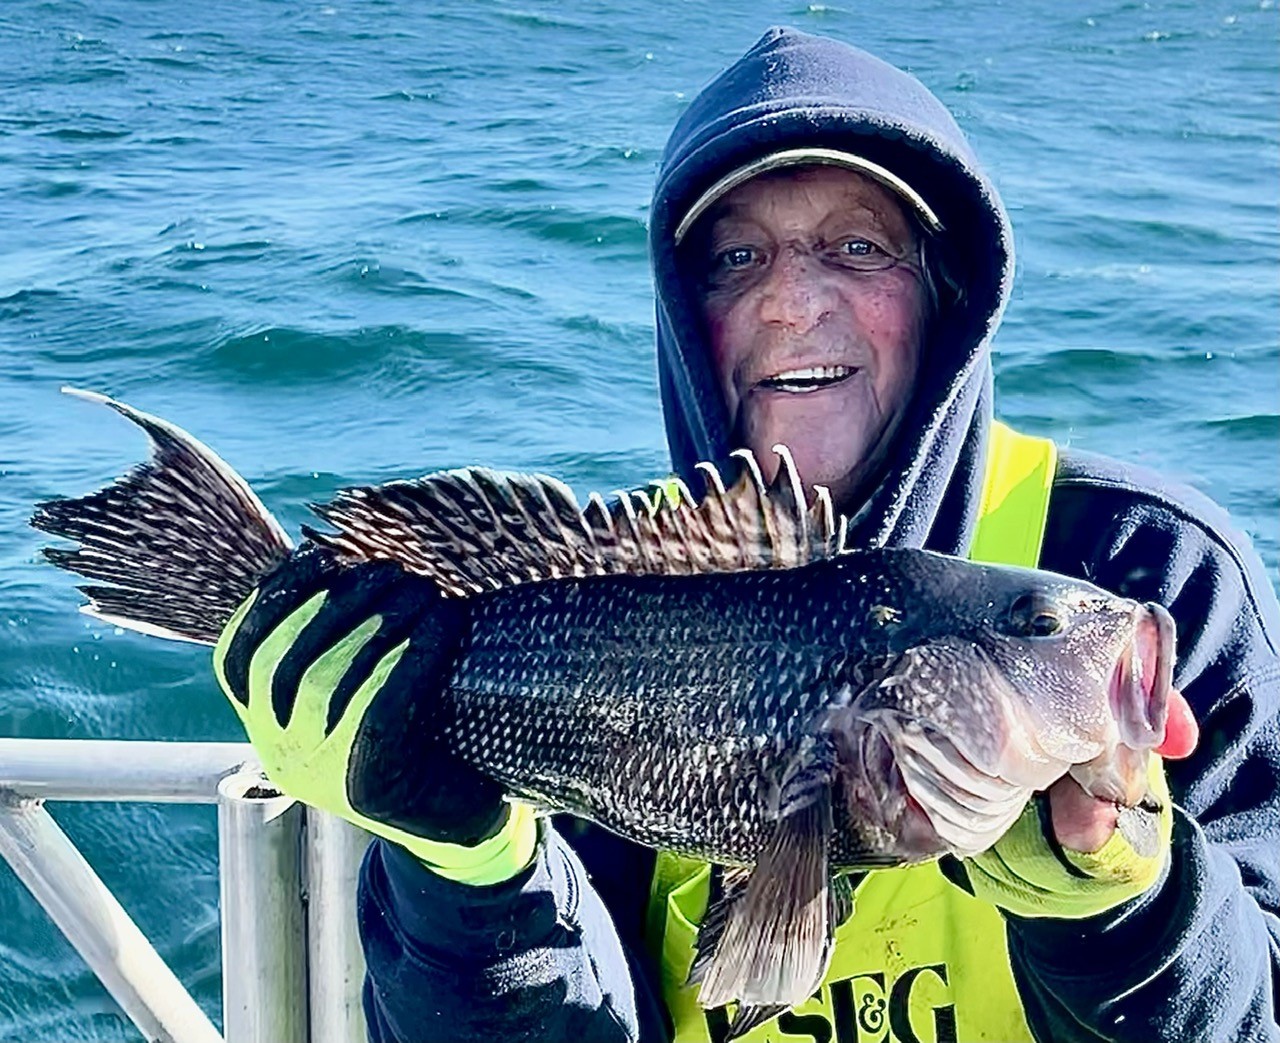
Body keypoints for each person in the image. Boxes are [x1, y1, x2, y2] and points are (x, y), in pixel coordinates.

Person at [213, 27, 1280, 1043]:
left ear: (944, 294)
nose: (790, 304)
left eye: (856, 248)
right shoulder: (621, 598)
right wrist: (467, 870)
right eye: (732, 261)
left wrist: (1124, 903)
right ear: (684, 318)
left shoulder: (1155, 566)